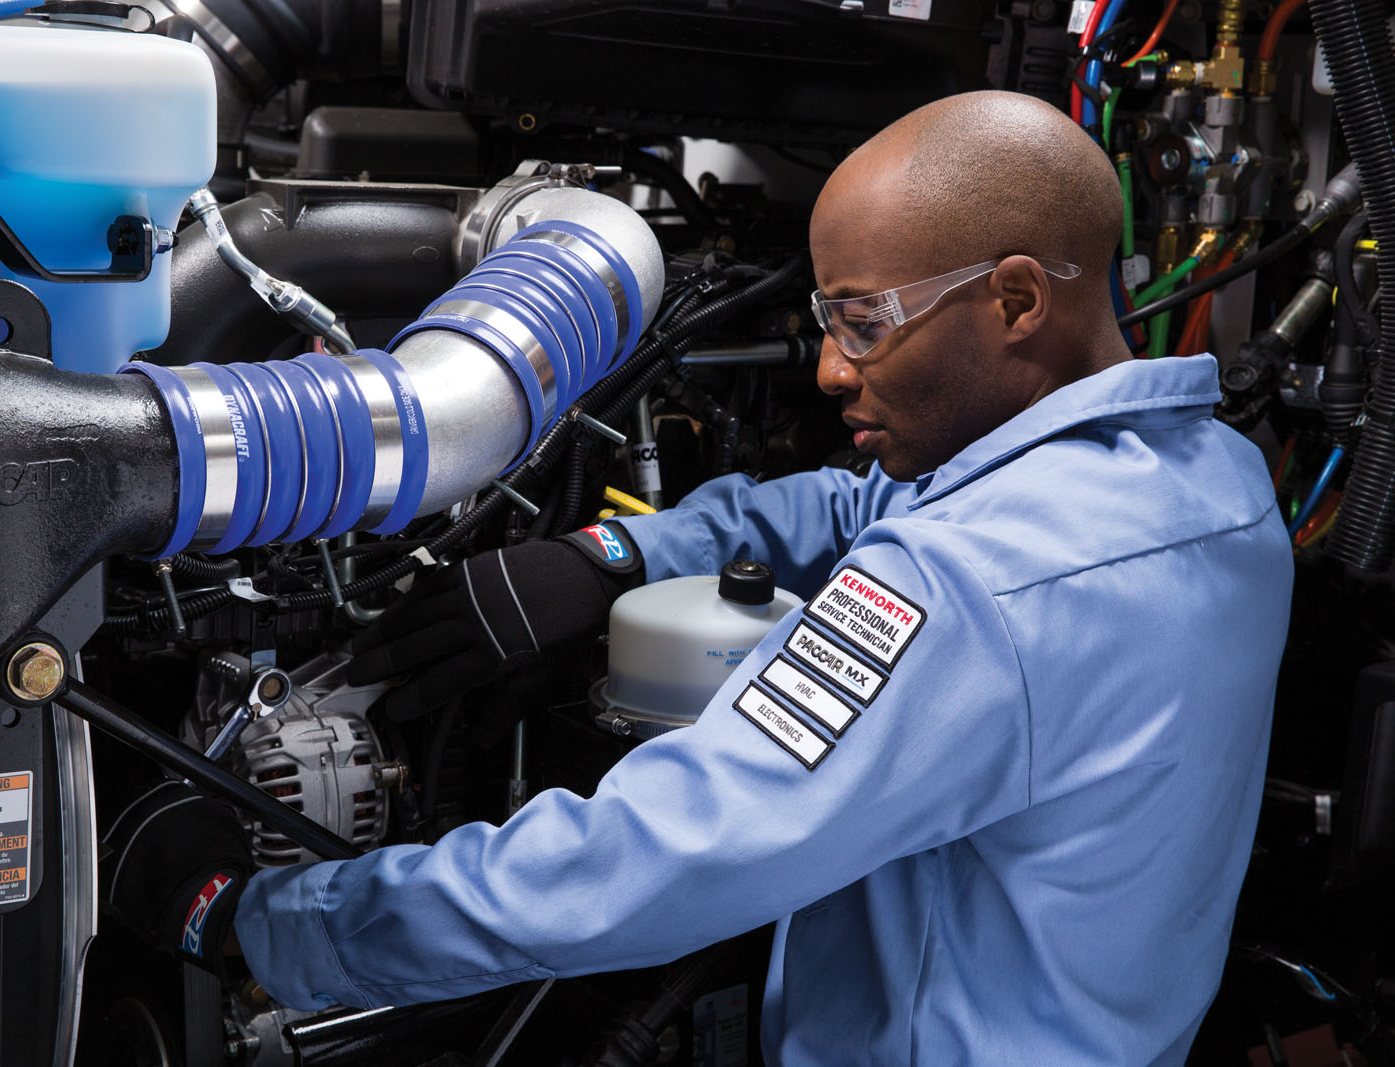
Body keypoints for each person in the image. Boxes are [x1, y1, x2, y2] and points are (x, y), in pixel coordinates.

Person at [227, 91, 1293, 1063]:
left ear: (1015, 299)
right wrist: (616, 553)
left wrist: (271, 925)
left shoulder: (973, 582)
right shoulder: (1216, 481)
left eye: (863, 321)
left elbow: (654, 859)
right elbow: (853, 503)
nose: (830, 368)